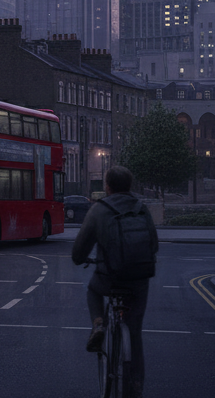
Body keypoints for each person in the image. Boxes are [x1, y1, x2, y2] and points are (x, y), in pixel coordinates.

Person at [71, 165, 158, 395]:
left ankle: (98, 324)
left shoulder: (99, 210)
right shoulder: (142, 208)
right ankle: (136, 386)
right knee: (135, 332)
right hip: (139, 280)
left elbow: (78, 252)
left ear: (107, 186)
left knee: (93, 290)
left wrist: (83, 259)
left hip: (109, 277)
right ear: (129, 186)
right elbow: (154, 245)